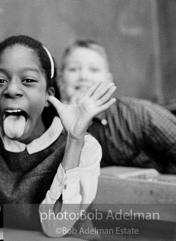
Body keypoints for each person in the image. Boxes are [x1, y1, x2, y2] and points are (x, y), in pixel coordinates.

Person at [0, 35, 116, 239]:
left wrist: (74, 140)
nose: (11, 90)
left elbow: (56, 227)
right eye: (0, 81)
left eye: (28, 80)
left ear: (48, 95)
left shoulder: (84, 146)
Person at [59, 39, 176, 174]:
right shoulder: (50, 126)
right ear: (61, 80)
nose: (84, 76)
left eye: (94, 69)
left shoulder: (139, 115)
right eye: (73, 69)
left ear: (109, 80)